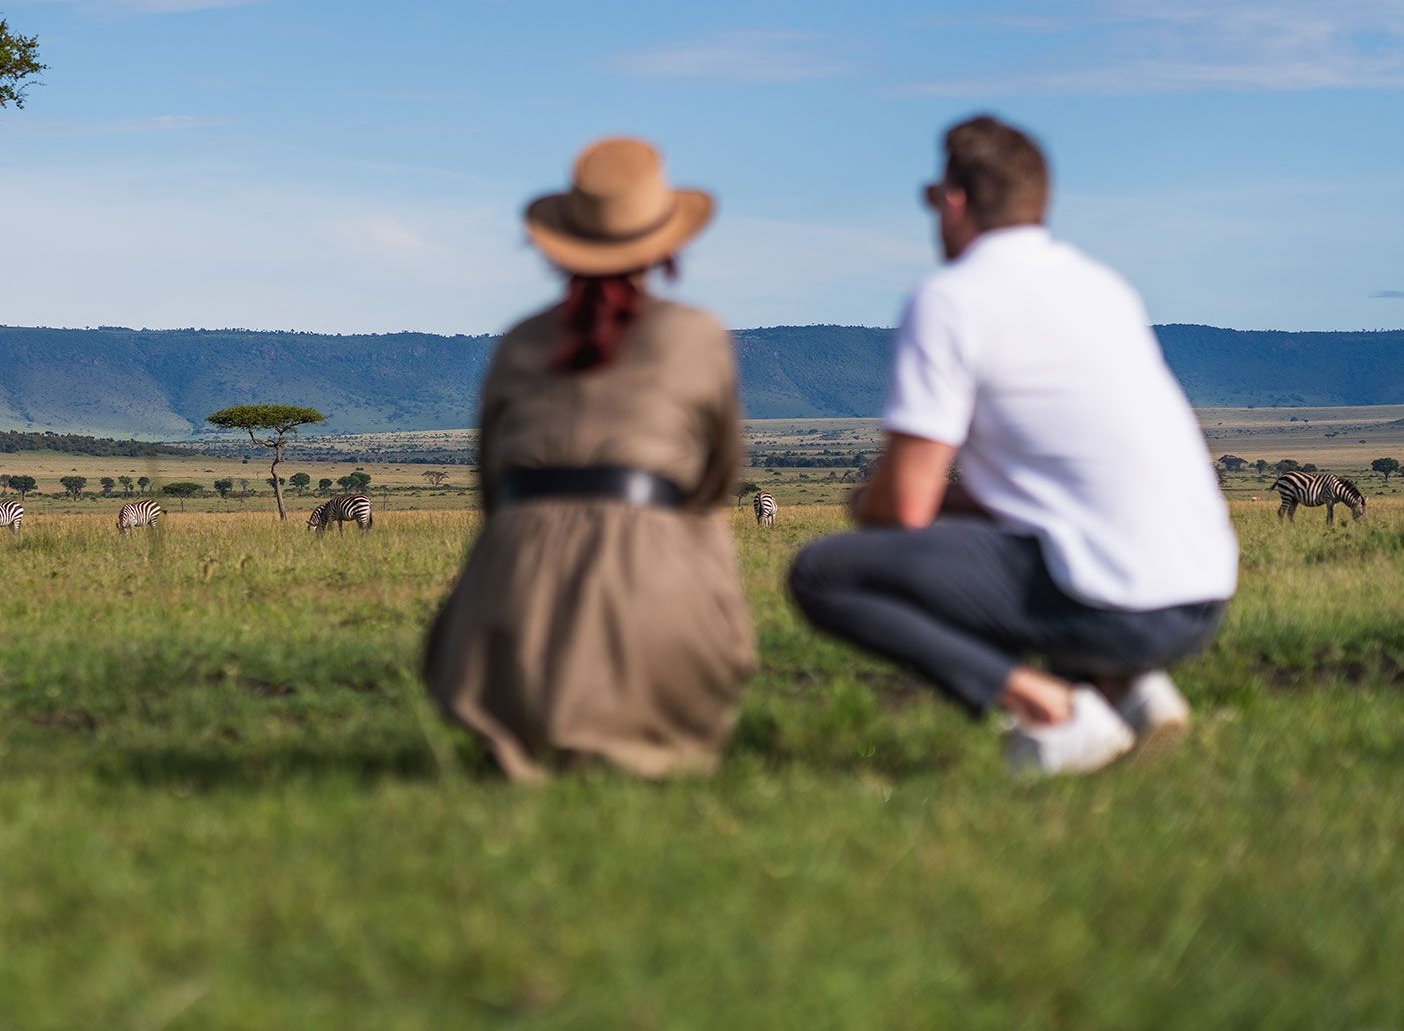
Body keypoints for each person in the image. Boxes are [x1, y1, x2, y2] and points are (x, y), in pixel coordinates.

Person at [787, 116, 1237, 776]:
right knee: (1005, 539)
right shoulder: (1103, 288)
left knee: (824, 573)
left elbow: (904, 504)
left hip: (1115, 601)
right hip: (1202, 595)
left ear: (955, 200)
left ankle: (1054, 708)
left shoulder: (950, 300)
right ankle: (1129, 688)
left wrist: (870, 500)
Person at [423, 137, 755, 781]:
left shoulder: (519, 341)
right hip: (656, 589)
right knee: (704, 527)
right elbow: (716, 480)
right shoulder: (697, 334)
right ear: (664, 243)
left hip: (510, 607)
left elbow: (493, 486)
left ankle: (519, 706)